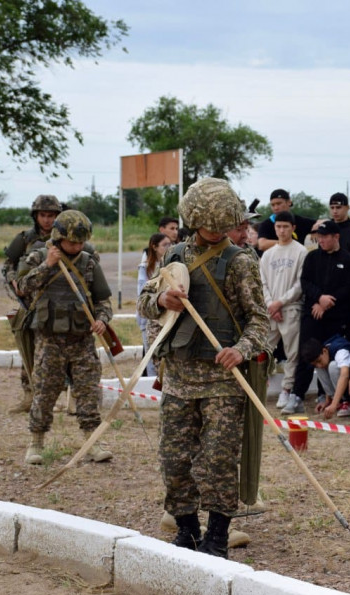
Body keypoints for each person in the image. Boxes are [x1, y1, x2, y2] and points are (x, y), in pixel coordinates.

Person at [138, 178, 270, 557]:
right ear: (195, 219)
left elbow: (259, 322)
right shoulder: (174, 254)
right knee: (174, 458)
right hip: (178, 376)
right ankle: (185, 529)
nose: (218, 231)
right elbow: (147, 300)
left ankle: (217, 536)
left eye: (223, 225)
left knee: (218, 461)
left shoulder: (241, 261)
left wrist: (240, 350)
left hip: (222, 381)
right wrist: (162, 298)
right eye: (211, 225)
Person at [16, 210, 113, 466]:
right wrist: (47, 265)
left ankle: (93, 443)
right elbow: (22, 287)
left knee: (88, 392)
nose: (77, 246)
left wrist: (102, 319)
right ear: (59, 238)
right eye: (72, 242)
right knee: (45, 393)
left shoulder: (90, 263)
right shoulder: (38, 257)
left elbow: (103, 300)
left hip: (82, 341)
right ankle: (35, 442)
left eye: (80, 242)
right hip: (50, 342)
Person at [2, 194, 64, 414]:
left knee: (53, 353)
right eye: (43, 215)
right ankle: (29, 395)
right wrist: (13, 281)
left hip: (57, 304)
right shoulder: (24, 239)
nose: (47, 220)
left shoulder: (65, 237)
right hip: (29, 304)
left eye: (51, 215)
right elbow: (8, 264)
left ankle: (53, 396)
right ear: (36, 216)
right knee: (27, 348)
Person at [294, 220, 350, 409]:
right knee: (306, 354)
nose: (320, 240)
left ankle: (328, 395)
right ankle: (297, 394)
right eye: (318, 237)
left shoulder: (348, 259)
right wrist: (319, 298)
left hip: (335, 317)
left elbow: (349, 288)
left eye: (324, 237)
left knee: (328, 357)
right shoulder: (312, 257)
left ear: (336, 237)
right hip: (312, 313)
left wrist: (328, 302)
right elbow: (305, 281)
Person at [259, 211, 307, 415]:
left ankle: (287, 389)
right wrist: (271, 304)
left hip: (291, 308)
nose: (281, 230)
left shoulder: (301, 252)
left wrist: (281, 302)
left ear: (293, 228)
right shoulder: (268, 255)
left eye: (286, 226)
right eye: (278, 227)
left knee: (292, 351)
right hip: (270, 309)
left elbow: (299, 284)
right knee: (263, 350)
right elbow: (262, 282)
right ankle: (260, 386)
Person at [137, 233, 172, 376]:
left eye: (170, 244)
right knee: (152, 359)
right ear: (154, 247)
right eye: (165, 245)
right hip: (149, 318)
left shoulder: (172, 264)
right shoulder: (145, 268)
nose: (168, 248)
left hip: (165, 318)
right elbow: (142, 293)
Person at [301, 335, 350, 418]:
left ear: (324, 351)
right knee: (321, 368)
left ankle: (348, 402)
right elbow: (323, 366)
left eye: (319, 361)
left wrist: (334, 405)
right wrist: (328, 400)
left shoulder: (340, 351)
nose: (319, 365)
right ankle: (335, 399)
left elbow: (344, 375)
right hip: (344, 387)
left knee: (333, 366)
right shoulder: (324, 353)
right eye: (315, 363)